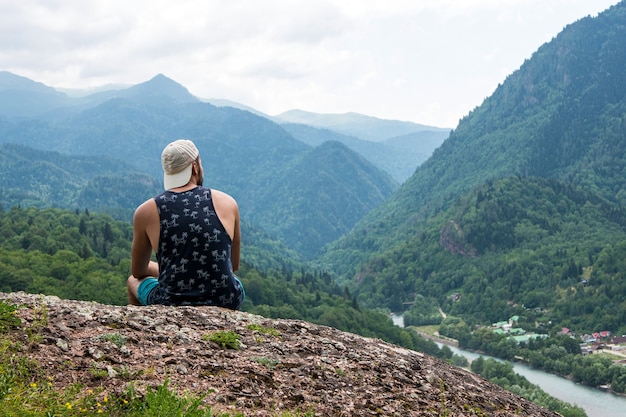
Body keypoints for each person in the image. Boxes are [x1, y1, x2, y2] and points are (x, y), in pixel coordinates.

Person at [127, 139, 244, 309]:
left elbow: (138, 271)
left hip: (170, 301)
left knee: (133, 281)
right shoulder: (228, 202)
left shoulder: (145, 211)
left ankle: (142, 330)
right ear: (195, 167)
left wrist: (176, 268)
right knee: (235, 281)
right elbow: (233, 265)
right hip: (226, 299)